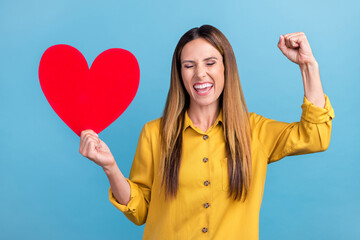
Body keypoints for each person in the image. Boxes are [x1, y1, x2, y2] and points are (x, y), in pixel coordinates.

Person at [79, 25, 335, 240]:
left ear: (226, 67)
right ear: (180, 74)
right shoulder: (154, 133)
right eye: (188, 65)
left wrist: (308, 66)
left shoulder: (255, 131)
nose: (200, 73)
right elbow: (140, 212)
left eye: (210, 62)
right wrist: (110, 167)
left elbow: (316, 136)